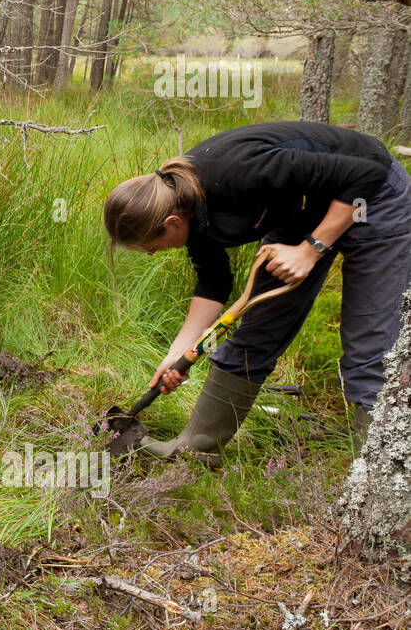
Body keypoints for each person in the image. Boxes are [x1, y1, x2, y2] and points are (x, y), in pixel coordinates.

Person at [103, 120, 411, 458]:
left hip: (373, 196)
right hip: (307, 208)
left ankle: (380, 471)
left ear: (171, 223)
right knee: (255, 333)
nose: (150, 253)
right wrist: (178, 352)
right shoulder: (189, 206)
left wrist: (311, 249)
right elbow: (214, 283)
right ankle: (197, 448)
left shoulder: (237, 173)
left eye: (151, 246)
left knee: (370, 346)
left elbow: (366, 173)